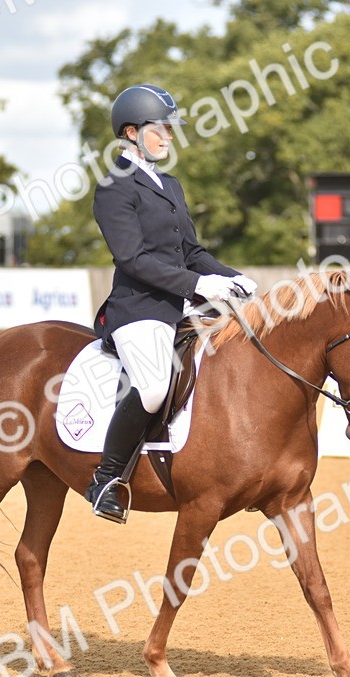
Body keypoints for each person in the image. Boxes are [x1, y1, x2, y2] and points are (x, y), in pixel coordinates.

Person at [84, 83, 257, 524]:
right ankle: (106, 478)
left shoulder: (171, 185)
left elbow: (191, 251)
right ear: (131, 132)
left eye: (170, 128)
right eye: (160, 128)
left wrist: (231, 277)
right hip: (139, 308)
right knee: (154, 387)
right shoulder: (114, 186)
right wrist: (199, 285)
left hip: (181, 307)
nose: (168, 136)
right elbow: (133, 259)